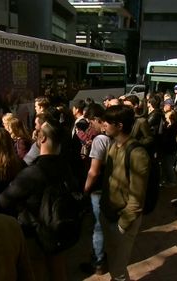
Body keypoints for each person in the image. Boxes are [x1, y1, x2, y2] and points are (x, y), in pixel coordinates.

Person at [0, 116, 76, 281]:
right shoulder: (66, 166)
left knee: (36, 272)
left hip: (35, 233)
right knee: (59, 270)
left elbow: (4, 200)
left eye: (39, 130)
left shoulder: (32, 172)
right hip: (59, 229)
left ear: (42, 138)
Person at [100, 105, 150, 281]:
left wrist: (122, 224)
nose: (103, 125)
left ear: (119, 125)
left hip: (123, 219)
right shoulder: (113, 146)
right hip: (108, 214)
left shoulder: (137, 153)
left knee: (118, 269)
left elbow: (137, 196)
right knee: (115, 265)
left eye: (107, 122)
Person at [80, 103, 111, 275]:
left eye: (91, 123)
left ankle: (98, 261)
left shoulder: (100, 140)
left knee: (97, 226)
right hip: (109, 186)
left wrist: (85, 189)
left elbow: (93, 171)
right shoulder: (111, 135)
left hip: (97, 189)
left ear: (97, 120)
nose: (90, 126)